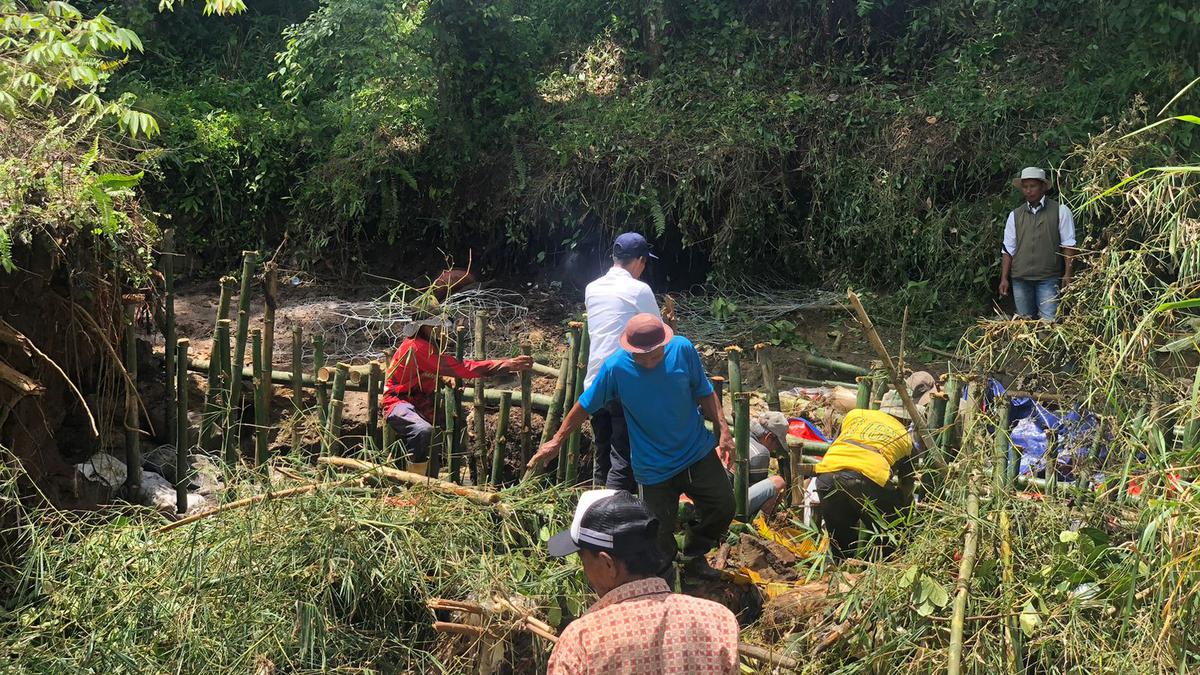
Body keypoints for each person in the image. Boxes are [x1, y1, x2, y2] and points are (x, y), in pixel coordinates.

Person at [529, 314, 735, 580]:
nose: (649, 361)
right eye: (642, 357)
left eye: (655, 354)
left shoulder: (682, 349)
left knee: (724, 505)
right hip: (654, 468)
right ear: (629, 349)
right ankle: (666, 579)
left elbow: (705, 391)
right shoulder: (615, 368)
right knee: (657, 533)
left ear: (665, 342)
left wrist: (724, 431)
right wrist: (557, 440)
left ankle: (694, 552)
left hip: (696, 451)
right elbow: (584, 405)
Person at [545, 489, 740, 675]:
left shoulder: (581, 642)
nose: (586, 572)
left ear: (608, 564)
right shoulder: (718, 621)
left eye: (584, 561)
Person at [382, 301, 532, 477]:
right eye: (434, 325)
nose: (438, 329)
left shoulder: (431, 344)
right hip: (398, 402)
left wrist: (444, 376)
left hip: (422, 401)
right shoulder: (417, 347)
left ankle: (435, 479)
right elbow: (462, 367)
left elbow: (436, 369)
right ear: (421, 326)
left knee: (449, 429)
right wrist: (505, 365)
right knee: (422, 430)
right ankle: (415, 483)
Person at [584, 232, 661, 492]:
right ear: (639, 260)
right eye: (645, 262)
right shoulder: (640, 290)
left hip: (594, 382)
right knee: (623, 459)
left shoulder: (592, 288)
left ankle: (593, 516)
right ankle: (615, 520)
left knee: (602, 453)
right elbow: (656, 333)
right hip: (624, 383)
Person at [813, 391, 921, 559]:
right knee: (892, 535)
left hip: (827, 475)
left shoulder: (856, 414)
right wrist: (903, 513)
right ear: (907, 419)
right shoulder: (906, 437)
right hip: (866, 479)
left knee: (841, 543)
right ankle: (883, 573)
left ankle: (839, 575)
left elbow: (836, 444)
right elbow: (906, 485)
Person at [998, 166, 1077, 321]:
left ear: (1043, 187)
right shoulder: (1015, 215)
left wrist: (1068, 274)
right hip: (1020, 278)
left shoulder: (1060, 211)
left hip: (1048, 278)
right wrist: (1004, 278)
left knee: (1049, 324)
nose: (1028, 191)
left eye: (1032, 186)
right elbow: (1008, 249)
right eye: (1025, 187)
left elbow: (1069, 245)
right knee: (1025, 323)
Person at [745, 411, 790, 519]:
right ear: (769, 437)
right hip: (727, 505)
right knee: (778, 482)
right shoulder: (761, 453)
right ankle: (759, 525)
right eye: (777, 444)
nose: (775, 449)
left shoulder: (737, 439)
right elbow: (760, 496)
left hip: (707, 499)